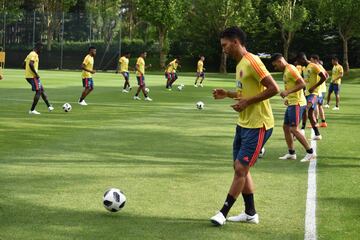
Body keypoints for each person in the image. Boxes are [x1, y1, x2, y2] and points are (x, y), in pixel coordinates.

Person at [210, 26, 280, 226]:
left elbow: (274, 88)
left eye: (225, 45)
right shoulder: (240, 64)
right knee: (241, 168)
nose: (223, 49)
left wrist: (247, 103)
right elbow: (245, 92)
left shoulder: (252, 61)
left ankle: (223, 212)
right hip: (243, 124)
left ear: (235, 42)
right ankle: (250, 213)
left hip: (259, 124)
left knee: (241, 168)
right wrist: (229, 94)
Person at [271, 53, 316, 162]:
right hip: (291, 102)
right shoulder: (286, 70)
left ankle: (310, 152)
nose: (275, 68)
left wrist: (287, 92)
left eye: (275, 65)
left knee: (293, 129)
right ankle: (291, 153)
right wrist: (288, 97)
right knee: (286, 127)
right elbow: (292, 85)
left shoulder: (291, 69)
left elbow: (302, 84)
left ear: (280, 61)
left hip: (297, 103)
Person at [296, 52, 328, 140]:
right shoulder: (304, 68)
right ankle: (317, 134)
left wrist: (314, 87)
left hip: (314, 94)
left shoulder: (313, 66)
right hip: (307, 93)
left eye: (299, 61)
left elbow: (324, 77)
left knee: (305, 108)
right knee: (310, 114)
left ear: (302, 59)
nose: (298, 63)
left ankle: (300, 130)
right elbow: (306, 81)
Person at [24, 42, 54, 114]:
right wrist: (35, 73)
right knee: (38, 91)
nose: (41, 49)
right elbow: (31, 64)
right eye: (41, 48)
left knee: (41, 89)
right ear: (38, 47)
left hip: (29, 76)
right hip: (33, 76)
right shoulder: (34, 54)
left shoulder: (30, 54)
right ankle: (32, 110)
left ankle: (49, 106)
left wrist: (27, 71)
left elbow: (24, 64)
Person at [310, 56, 328, 127]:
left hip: (319, 90)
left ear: (315, 60)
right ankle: (323, 122)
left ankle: (316, 122)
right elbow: (327, 75)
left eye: (311, 60)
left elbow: (325, 76)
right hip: (322, 89)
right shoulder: (320, 66)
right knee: (320, 106)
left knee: (316, 105)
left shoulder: (317, 66)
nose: (310, 61)